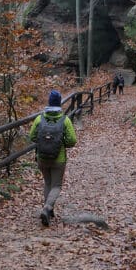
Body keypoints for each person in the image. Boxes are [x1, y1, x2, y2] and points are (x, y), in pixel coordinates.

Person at [29, 89, 77, 226]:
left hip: (42, 158)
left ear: (49, 103)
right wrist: (62, 143)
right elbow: (72, 140)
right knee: (56, 185)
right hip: (59, 159)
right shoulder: (65, 120)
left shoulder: (39, 118)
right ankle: (47, 208)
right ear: (59, 103)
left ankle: (48, 211)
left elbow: (32, 136)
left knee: (48, 183)